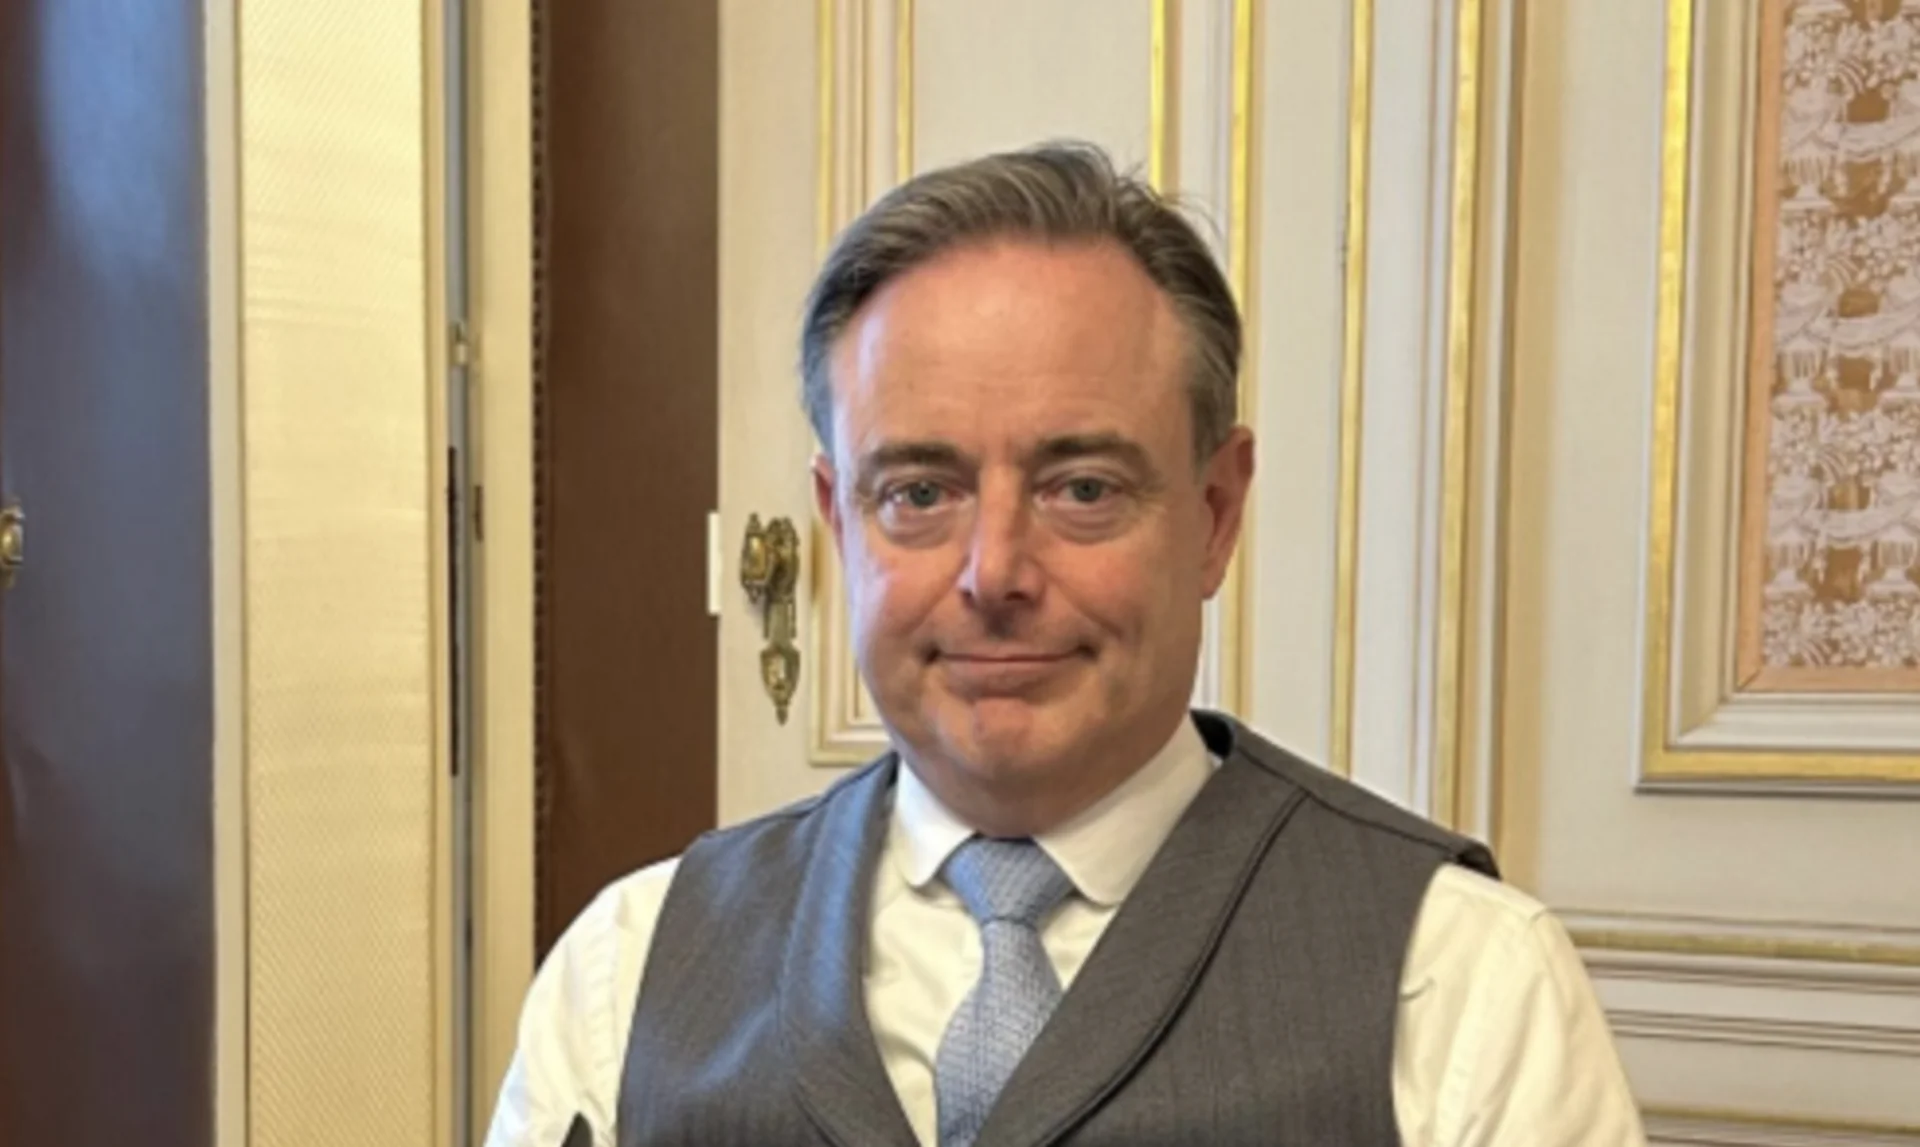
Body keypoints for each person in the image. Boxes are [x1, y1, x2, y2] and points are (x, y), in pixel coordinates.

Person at [485, 142, 1645, 1147]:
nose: (994, 573)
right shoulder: (629, 967)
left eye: (1082, 487)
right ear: (838, 523)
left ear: (1215, 513)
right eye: (919, 492)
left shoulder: (1458, 981)